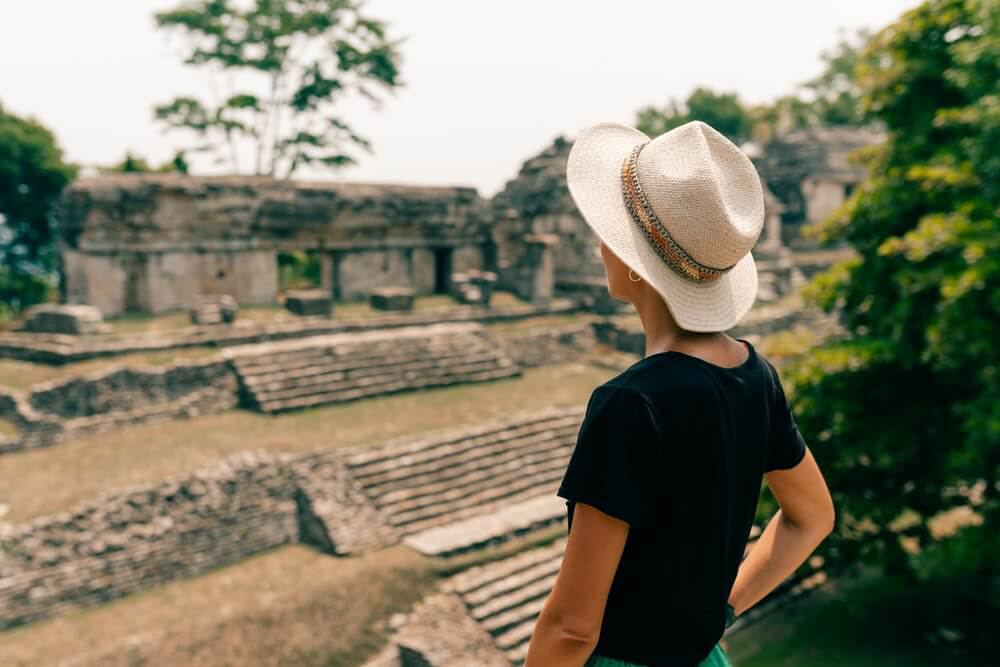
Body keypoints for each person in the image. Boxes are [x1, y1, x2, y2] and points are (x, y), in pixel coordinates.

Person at [524, 120, 836, 667]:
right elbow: (812, 516)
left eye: (613, 232)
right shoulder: (757, 374)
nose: (601, 245)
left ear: (637, 267)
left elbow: (573, 628)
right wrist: (722, 609)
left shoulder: (631, 403)